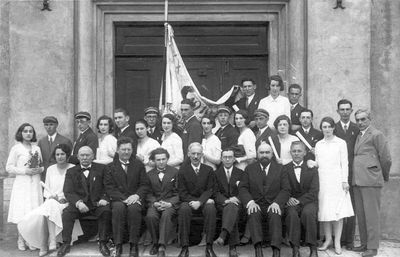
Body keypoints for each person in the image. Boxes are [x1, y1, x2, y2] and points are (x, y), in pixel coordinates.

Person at [18, 144, 82, 257]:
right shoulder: (50, 169)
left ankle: (44, 245)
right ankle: (52, 241)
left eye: (62, 154)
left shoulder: (73, 168)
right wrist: (52, 197)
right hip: (52, 200)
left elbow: (77, 189)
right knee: (49, 206)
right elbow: (47, 189)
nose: (60, 156)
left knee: (46, 212)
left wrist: (64, 198)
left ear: (67, 155)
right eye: (57, 154)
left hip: (67, 202)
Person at [58, 146, 111, 257]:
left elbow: (108, 186)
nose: (85, 157)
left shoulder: (102, 168)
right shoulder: (71, 171)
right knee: (67, 213)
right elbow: (68, 191)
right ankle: (66, 243)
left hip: (97, 204)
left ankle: (102, 243)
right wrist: (78, 203)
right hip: (80, 204)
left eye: (87, 155)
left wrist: (104, 198)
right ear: (78, 157)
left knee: (105, 211)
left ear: (93, 156)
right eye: (82, 155)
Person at [239, 143, 290, 257]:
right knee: (253, 212)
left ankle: (276, 251)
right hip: (256, 203)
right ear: (257, 154)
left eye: (267, 152)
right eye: (261, 153)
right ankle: (258, 250)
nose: (264, 155)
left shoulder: (280, 169)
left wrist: (277, 203)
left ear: (272, 154)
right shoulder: (250, 169)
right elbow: (242, 188)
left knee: (275, 213)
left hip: (273, 203)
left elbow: (286, 189)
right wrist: (250, 202)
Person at [352, 109, 391, 257]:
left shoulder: (376, 134)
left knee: (372, 216)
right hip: (358, 181)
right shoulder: (359, 135)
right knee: (361, 215)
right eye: (358, 120)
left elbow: (386, 158)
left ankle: (373, 248)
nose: (360, 122)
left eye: (363, 119)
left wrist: (383, 176)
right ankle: (364, 244)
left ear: (370, 119)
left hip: (371, 180)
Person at [314, 117, 354, 255]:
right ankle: (328, 240)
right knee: (325, 211)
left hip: (337, 181)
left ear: (333, 128)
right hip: (323, 181)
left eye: (329, 127)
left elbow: (345, 163)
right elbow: (317, 163)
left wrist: (345, 180)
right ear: (322, 129)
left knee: (338, 212)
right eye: (324, 127)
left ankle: (337, 241)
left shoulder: (341, 143)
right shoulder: (319, 144)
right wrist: (312, 163)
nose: (327, 129)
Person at [105, 137, 150, 257]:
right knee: (118, 209)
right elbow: (109, 187)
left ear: (132, 150)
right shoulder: (110, 167)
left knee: (134, 209)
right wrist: (123, 199)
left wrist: (137, 195)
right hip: (119, 199)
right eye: (123, 149)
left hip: (135, 198)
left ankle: (133, 245)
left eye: (129, 149)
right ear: (117, 150)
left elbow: (144, 184)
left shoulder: (138, 165)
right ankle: (118, 244)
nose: (126, 152)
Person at [6, 123, 44, 251]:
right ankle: (21, 238)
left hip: (35, 183)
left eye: (31, 131)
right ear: (21, 133)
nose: (28, 133)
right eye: (25, 131)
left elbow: (42, 165)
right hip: (22, 184)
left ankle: (31, 239)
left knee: (33, 211)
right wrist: (24, 171)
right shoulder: (16, 149)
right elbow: (9, 167)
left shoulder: (37, 149)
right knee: (22, 210)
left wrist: (40, 169)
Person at [177, 142, 217, 257]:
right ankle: (185, 247)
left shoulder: (208, 170)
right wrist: (193, 202)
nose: (195, 156)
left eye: (198, 154)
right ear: (188, 154)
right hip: (188, 201)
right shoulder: (182, 171)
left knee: (211, 208)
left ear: (202, 155)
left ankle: (209, 246)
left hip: (202, 201)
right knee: (183, 209)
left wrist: (200, 202)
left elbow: (210, 189)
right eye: (193, 153)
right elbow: (182, 192)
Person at [284, 141, 319, 257]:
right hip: (291, 201)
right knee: (292, 214)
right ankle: (295, 248)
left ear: (304, 153)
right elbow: (282, 187)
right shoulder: (284, 169)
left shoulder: (312, 168)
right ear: (290, 153)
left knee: (308, 213)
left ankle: (313, 248)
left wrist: (300, 200)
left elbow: (314, 190)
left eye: (299, 151)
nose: (296, 153)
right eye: (294, 151)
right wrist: (288, 198)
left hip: (308, 201)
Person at [334, 99, 359, 250]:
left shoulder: (356, 129)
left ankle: (349, 240)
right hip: (335, 173)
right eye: (341, 109)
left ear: (351, 111)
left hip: (352, 173)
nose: (344, 112)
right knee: (337, 206)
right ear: (337, 111)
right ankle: (338, 239)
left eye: (347, 109)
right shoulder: (333, 127)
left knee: (351, 207)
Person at [145, 148, 179, 257]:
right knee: (150, 216)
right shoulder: (149, 174)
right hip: (155, 203)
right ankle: (155, 243)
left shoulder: (175, 172)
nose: (161, 162)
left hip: (170, 203)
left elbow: (179, 192)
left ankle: (162, 246)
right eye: (158, 159)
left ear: (167, 159)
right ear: (154, 161)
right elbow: (147, 193)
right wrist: (154, 203)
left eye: (163, 159)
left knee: (166, 215)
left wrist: (170, 203)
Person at [214, 148, 243, 257]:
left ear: (234, 159)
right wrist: (225, 200)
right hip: (222, 204)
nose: (227, 159)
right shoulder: (215, 174)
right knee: (231, 210)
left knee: (232, 209)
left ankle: (223, 235)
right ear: (221, 159)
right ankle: (232, 248)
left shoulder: (241, 173)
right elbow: (215, 192)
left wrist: (237, 198)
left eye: (230, 157)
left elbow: (244, 190)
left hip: (237, 204)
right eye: (225, 157)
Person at [37, 116, 72, 181]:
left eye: (51, 124)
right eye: (46, 125)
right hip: (45, 175)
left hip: (60, 174)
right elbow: (39, 159)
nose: (48, 127)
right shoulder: (41, 141)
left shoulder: (65, 141)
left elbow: (69, 159)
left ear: (56, 125)